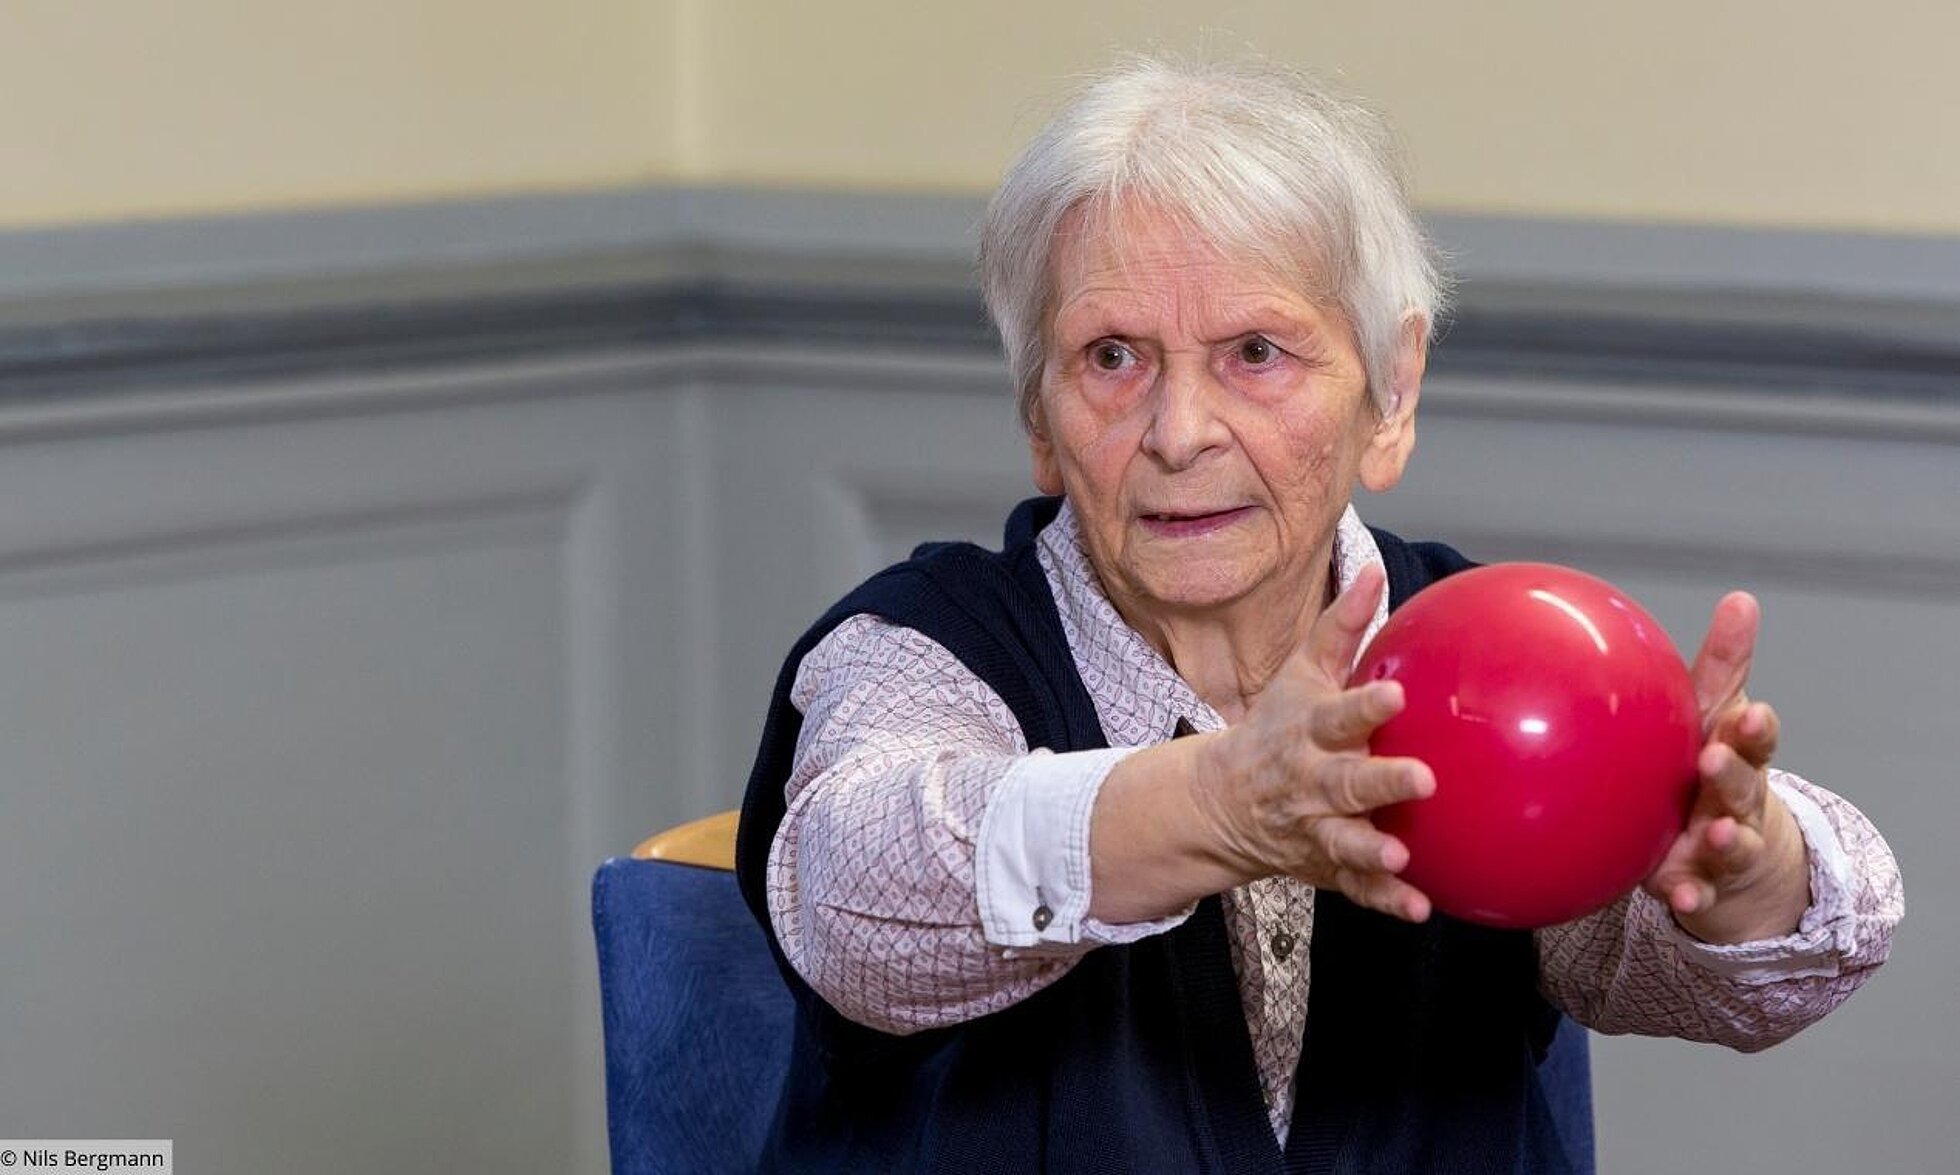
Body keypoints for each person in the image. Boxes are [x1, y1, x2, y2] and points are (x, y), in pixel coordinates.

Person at [734, 55, 1902, 1173]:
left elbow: (1738, 966)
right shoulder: (918, 649)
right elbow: (851, 900)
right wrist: (1224, 803)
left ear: (1391, 393)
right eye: (1110, 356)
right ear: (1037, 414)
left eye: (1254, 351)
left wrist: (1740, 866)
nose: (1178, 429)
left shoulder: (1488, 653)